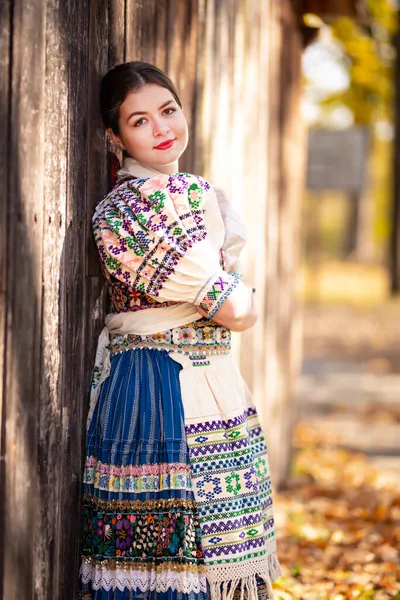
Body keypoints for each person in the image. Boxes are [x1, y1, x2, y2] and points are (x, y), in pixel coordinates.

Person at [79, 61, 282, 600]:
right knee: (173, 560)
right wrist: (229, 296)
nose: (162, 128)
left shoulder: (200, 194)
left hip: (213, 375)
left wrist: (229, 297)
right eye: (139, 121)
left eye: (167, 110)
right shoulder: (125, 212)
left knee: (223, 554)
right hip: (154, 386)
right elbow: (239, 309)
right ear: (114, 136)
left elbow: (235, 305)